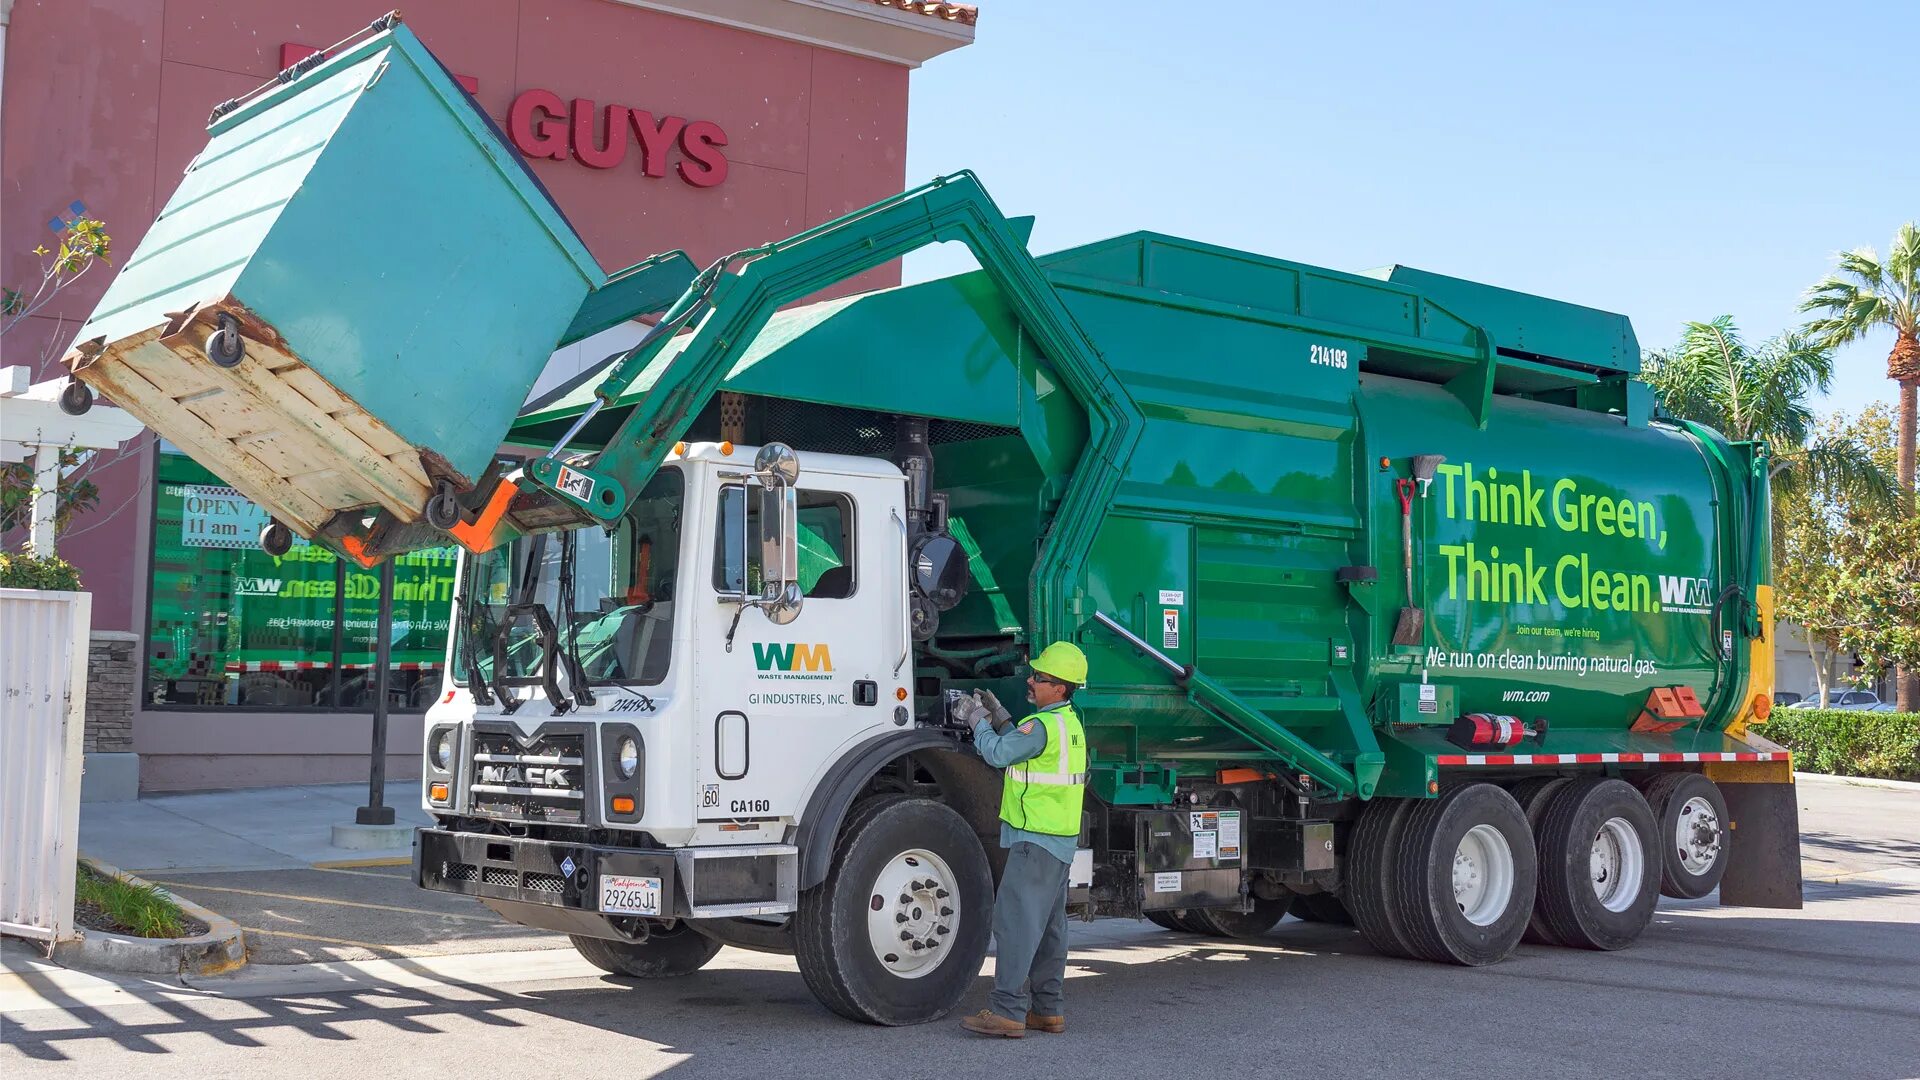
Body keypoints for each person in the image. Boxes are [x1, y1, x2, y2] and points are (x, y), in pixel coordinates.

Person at [952, 641, 1089, 1038]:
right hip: (1058, 841)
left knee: (1015, 924)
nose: (1031, 680)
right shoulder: (1067, 724)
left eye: (1039, 678)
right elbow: (1023, 748)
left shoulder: (1042, 726)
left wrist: (977, 720)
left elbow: (998, 754)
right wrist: (1003, 718)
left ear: (1060, 687)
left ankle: (1007, 1011)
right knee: (1049, 929)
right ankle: (1048, 1010)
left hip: (1035, 842)